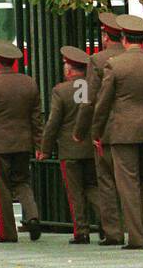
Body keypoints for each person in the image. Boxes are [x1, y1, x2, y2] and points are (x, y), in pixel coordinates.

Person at [91, 15, 143, 250]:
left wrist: (97, 131)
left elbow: (103, 102)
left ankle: (137, 237)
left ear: (123, 38)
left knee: (128, 183)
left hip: (122, 132)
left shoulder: (114, 64)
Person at [0, 39, 42, 243]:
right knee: (22, 182)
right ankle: (32, 216)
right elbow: (36, 118)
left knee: (2, 187)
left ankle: (8, 232)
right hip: (23, 143)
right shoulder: (29, 82)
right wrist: (39, 144)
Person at [74, 12, 125, 246]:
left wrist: (83, 130)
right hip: (139, 129)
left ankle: (113, 231)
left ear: (105, 36)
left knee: (106, 182)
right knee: (136, 181)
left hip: (108, 129)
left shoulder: (97, 60)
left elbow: (89, 100)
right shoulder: (138, 57)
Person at [38, 46, 98, 244]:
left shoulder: (61, 90)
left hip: (69, 148)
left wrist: (45, 149)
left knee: (75, 192)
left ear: (70, 70)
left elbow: (53, 122)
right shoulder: (92, 88)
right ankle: (108, 223)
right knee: (93, 187)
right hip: (91, 147)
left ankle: (81, 230)